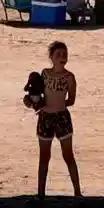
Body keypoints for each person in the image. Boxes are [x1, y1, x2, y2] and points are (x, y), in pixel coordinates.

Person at [34, 41, 81, 198]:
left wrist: (59, 104)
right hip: (45, 117)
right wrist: (32, 102)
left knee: (68, 155)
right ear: (51, 57)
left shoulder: (70, 77)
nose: (62, 57)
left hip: (62, 118)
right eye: (58, 54)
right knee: (44, 156)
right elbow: (37, 95)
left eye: (64, 54)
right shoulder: (45, 74)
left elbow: (72, 100)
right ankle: (40, 193)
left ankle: (77, 192)